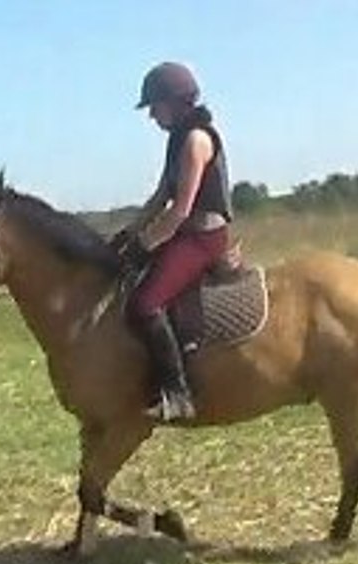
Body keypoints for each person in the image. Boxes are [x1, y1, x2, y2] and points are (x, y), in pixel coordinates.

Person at [119, 61, 234, 421]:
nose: (152, 115)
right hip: (187, 233)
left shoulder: (196, 140)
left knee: (145, 304)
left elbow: (180, 210)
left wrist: (145, 245)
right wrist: (129, 233)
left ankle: (178, 393)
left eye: (155, 105)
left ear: (176, 101)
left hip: (204, 238)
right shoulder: (177, 139)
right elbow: (160, 197)